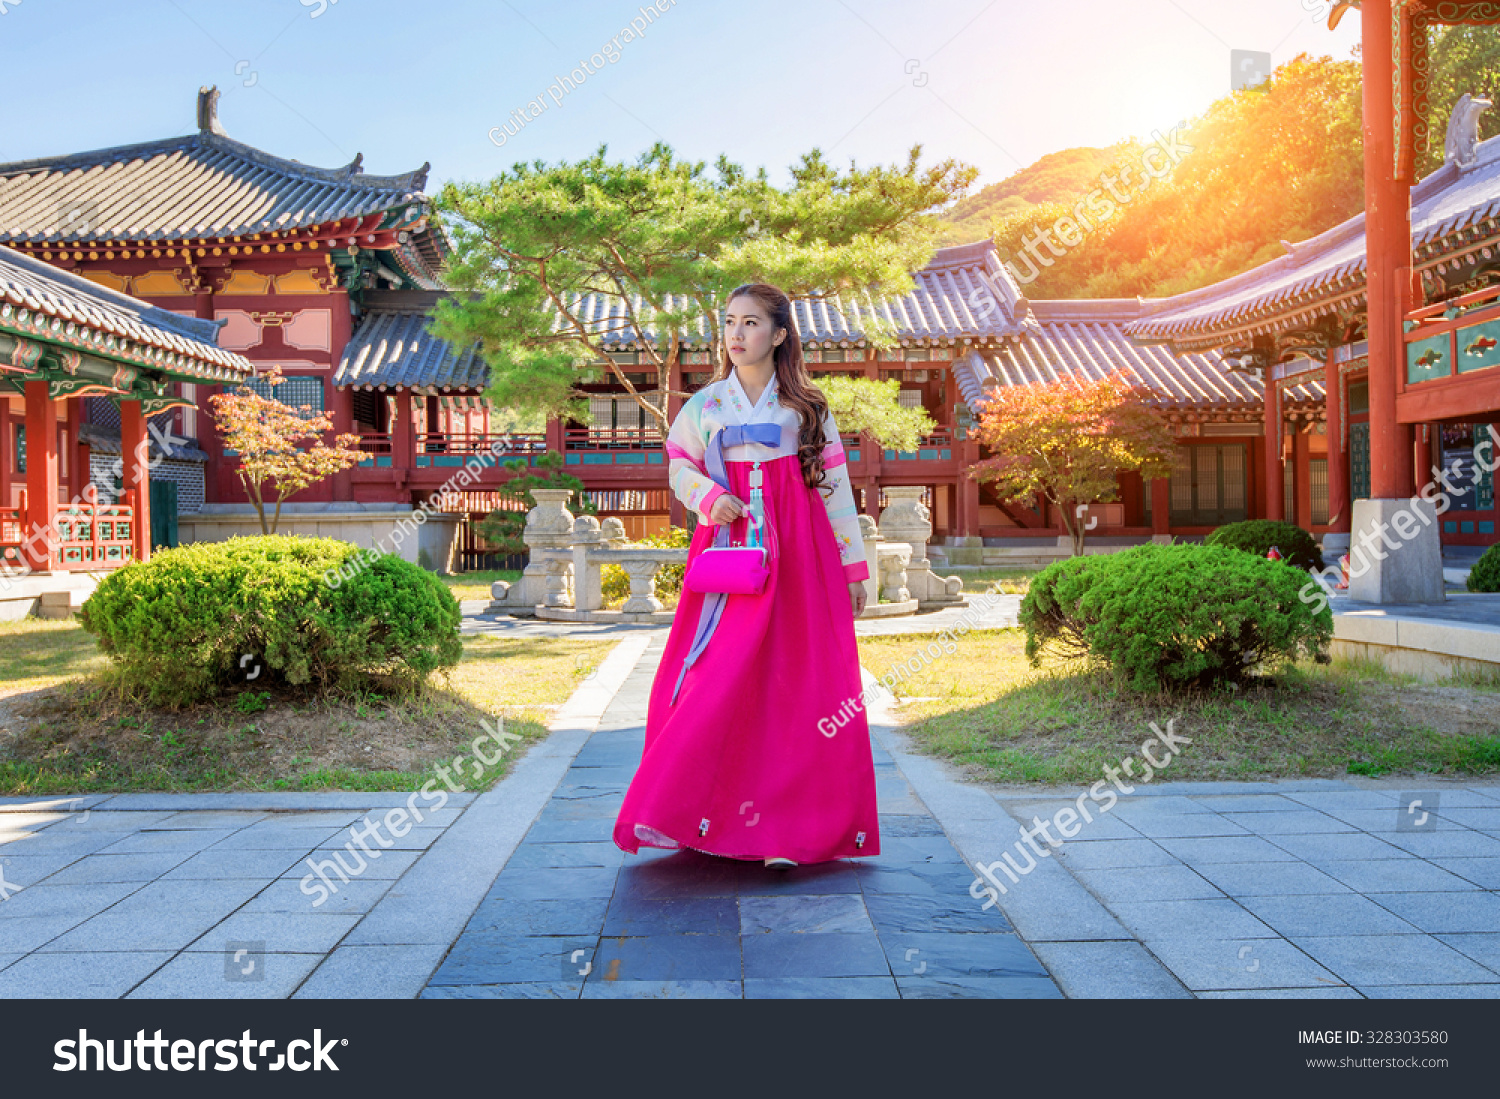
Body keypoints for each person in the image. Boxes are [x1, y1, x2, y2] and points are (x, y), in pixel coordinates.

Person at [611, 282, 880, 869]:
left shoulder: (807, 408)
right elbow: (678, 464)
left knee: (797, 680)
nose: (737, 334)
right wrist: (710, 498)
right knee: (712, 676)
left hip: (801, 553)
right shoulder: (707, 406)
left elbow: (834, 489)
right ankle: (695, 814)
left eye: (751, 322)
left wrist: (853, 570)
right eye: (730, 321)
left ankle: (790, 830)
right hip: (730, 553)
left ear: (780, 334)